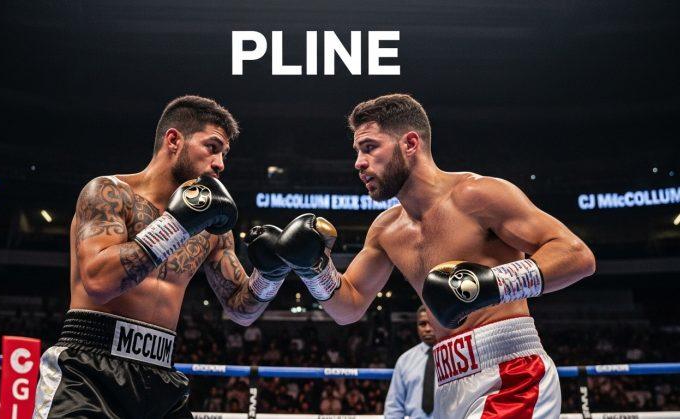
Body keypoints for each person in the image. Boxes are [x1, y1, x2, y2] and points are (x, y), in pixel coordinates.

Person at [272, 93, 596, 418]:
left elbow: (576, 255)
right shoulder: (386, 229)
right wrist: (315, 269)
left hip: (510, 374)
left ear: (410, 143)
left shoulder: (477, 195)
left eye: (370, 147)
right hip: (448, 382)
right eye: (357, 150)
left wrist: (489, 284)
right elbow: (348, 308)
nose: (359, 162)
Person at [34, 96, 292, 418]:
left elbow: (241, 310)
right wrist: (178, 225)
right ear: (174, 140)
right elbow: (99, 281)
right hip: (89, 372)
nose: (220, 164)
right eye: (212, 147)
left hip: (161, 378)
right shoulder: (108, 193)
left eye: (224, 154)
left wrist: (272, 272)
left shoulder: (212, 229)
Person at [384, 305, 438, 419]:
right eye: (422, 324)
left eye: (432, 323)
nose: (427, 329)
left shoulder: (454, 356)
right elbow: (394, 406)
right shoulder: (405, 360)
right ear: (417, 326)